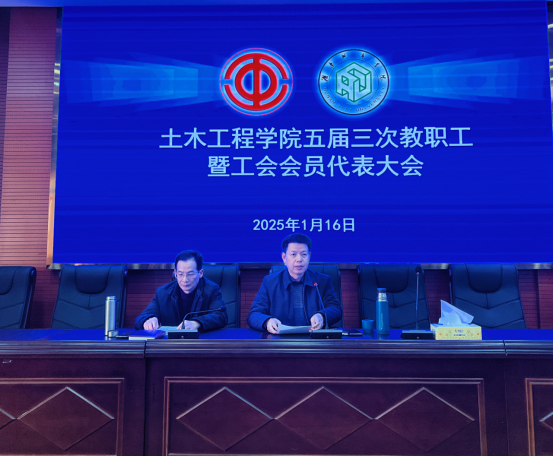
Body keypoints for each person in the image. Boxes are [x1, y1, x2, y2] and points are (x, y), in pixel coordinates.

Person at [247, 233, 342, 333]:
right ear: (284, 257)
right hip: (279, 339)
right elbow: (254, 315)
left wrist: (322, 316)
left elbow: (335, 309)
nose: (299, 259)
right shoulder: (270, 282)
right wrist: (267, 321)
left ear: (309, 256)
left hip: (314, 339)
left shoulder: (322, 281)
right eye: (293, 254)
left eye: (304, 254)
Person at [134, 250, 227, 331]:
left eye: (190, 274)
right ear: (175, 273)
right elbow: (141, 318)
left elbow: (221, 316)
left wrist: (197, 323)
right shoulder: (163, 293)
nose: (185, 279)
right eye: (180, 274)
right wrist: (147, 320)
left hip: (201, 342)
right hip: (170, 344)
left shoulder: (211, 290)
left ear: (200, 273)